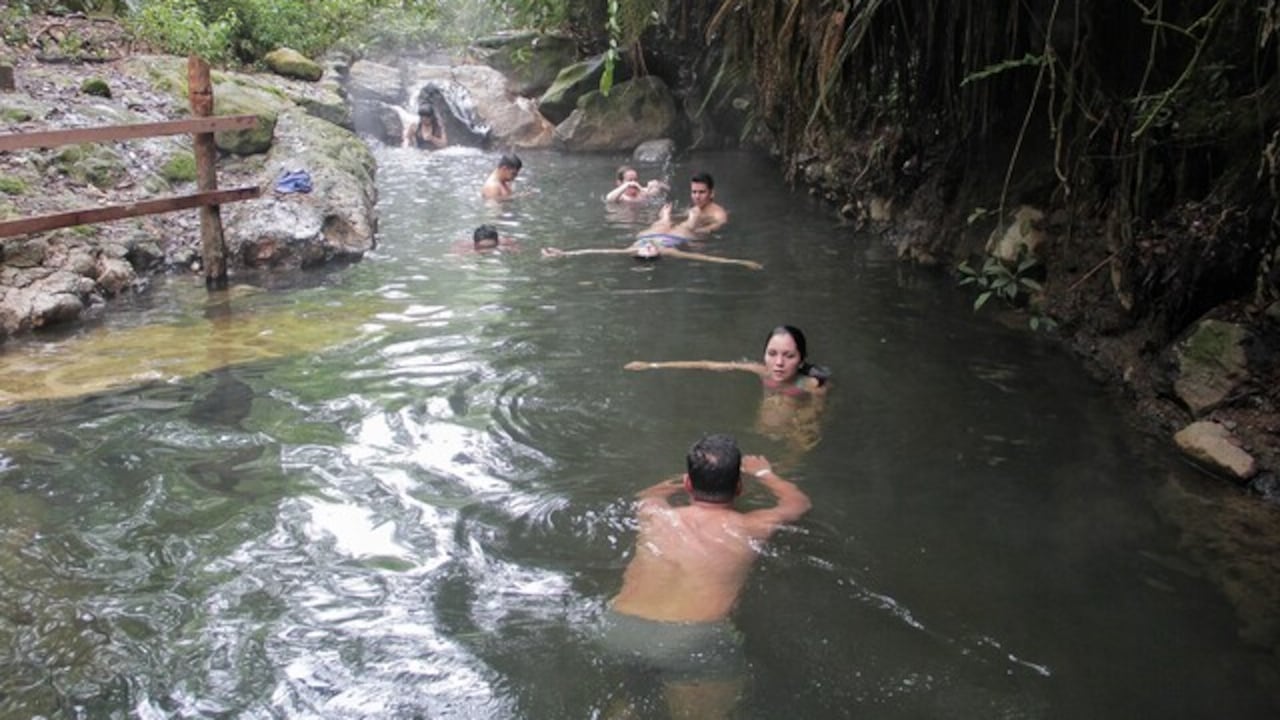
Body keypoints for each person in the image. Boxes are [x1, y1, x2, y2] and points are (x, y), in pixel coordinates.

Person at [601, 434, 810, 719]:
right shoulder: (752, 526)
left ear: (688, 483)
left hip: (621, 627)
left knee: (635, 703)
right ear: (739, 487)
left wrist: (683, 478)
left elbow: (648, 493)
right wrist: (765, 473)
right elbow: (798, 504)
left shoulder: (654, 513)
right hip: (692, 639)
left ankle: (629, 707)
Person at [625, 326, 831, 451]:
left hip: (789, 428)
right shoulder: (762, 371)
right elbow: (710, 365)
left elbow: (814, 421)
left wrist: (792, 455)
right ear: (764, 354)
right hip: (763, 424)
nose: (778, 363)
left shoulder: (811, 385)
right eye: (772, 353)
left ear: (802, 359)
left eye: (789, 356)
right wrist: (652, 365)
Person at [540, 202, 762, 270]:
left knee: (661, 222)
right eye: (650, 253)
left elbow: (599, 251)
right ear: (656, 254)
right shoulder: (667, 250)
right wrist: (741, 262)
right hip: (674, 238)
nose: (647, 250)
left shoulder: (633, 248)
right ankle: (692, 215)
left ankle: (664, 214)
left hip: (650, 233)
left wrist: (565, 254)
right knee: (688, 224)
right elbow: (704, 258)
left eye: (643, 253)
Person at [451, 224, 518, 255]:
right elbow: (454, 258)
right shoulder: (465, 245)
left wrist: (506, 250)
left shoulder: (505, 242)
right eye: (482, 247)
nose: (487, 251)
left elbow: (518, 251)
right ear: (475, 243)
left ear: (498, 242)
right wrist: (474, 252)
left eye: (491, 246)